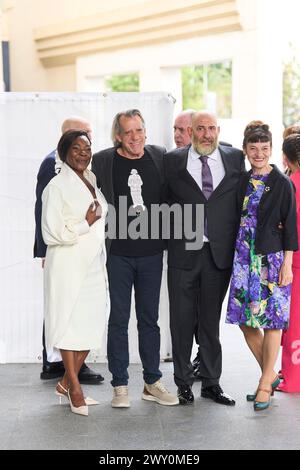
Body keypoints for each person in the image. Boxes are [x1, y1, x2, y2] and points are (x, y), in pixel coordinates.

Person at [92, 109, 178, 408]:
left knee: (149, 320)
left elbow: (171, 195)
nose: (135, 137)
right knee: (118, 319)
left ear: (145, 131)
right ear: (118, 135)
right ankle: (120, 385)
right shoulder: (103, 160)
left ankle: (152, 382)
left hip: (152, 254)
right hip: (119, 255)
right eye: (128, 132)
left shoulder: (158, 155)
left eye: (139, 130)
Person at [165, 111, 245, 406]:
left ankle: (211, 382)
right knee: (182, 321)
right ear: (191, 131)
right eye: (200, 128)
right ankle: (183, 383)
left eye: (211, 128)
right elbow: (163, 202)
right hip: (183, 252)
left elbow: (240, 202)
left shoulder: (235, 158)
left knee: (210, 321)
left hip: (218, 253)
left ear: (218, 130)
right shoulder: (173, 160)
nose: (207, 134)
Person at [226, 122, 298, 411]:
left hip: (272, 259)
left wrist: (288, 265)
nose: (259, 153)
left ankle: (266, 384)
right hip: (243, 259)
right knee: (245, 321)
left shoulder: (283, 183)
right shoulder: (241, 181)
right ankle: (269, 375)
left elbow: (291, 227)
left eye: (264, 149)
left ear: (272, 150)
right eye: (253, 149)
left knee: (272, 322)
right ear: (245, 150)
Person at [42, 130, 108, 416]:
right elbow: (51, 233)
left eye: (87, 148)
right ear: (64, 152)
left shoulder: (91, 179)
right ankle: (75, 388)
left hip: (93, 263)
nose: (83, 153)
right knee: (70, 326)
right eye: (77, 148)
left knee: (92, 322)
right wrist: (85, 222)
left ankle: (66, 382)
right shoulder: (56, 187)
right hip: (68, 264)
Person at [277, 134, 300, 392]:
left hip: (294, 259)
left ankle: (293, 378)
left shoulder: (289, 185)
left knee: (294, 322)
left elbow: (283, 225)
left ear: (286, 158)